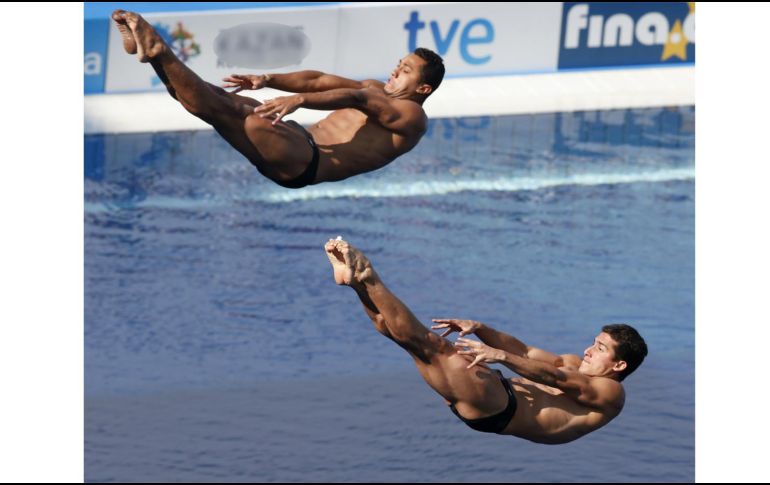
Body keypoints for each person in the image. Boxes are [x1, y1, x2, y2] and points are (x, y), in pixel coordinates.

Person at [324, 238, 648, 444]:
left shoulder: (610, 392)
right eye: (594, 341)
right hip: (495, 394)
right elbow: (525, 351)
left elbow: (554, 377)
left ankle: (367, 276)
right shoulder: (576, 363)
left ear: (619, 365)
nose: (589, 349)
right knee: (404, 339)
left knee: (432, 346)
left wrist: (499, 356)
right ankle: (356, 285)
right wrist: (481, 328)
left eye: (601, 349)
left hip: (502, 407)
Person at [111, 10, 445, 189]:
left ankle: (157, 50)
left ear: (423, 89)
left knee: (245, 116)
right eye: (399, 65)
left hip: (307, 163)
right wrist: (268, 79)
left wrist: (298, 99)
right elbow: (318, 80)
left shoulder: (412, 118)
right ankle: (154, 54)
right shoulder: (376, 86)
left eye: (405, 71)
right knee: (215, 102)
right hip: (297, 139)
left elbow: (356, 97)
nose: (395, 71)